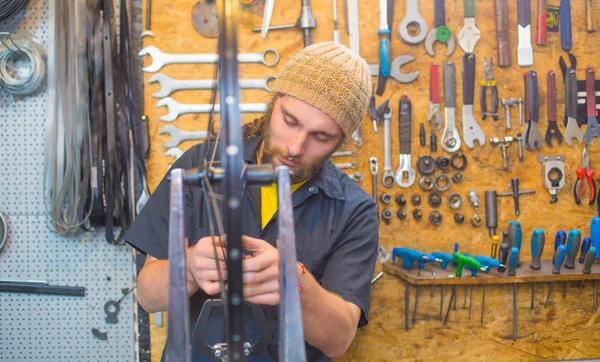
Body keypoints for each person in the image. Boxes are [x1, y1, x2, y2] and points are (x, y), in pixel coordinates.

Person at [125, 41, 378, 361]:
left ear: (340, 141)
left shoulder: (354, 211)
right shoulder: (198, 166)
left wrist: (295, 282)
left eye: (321, 136)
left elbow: (339, 340)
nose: (296, 147)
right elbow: (148, 295)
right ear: (274, 104)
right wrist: (188, 267)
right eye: (290, 121)